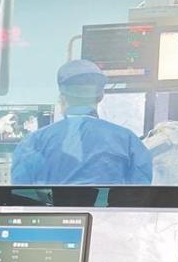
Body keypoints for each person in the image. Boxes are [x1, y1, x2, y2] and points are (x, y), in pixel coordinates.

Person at [11, 59, 153, 186]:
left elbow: (22, 195)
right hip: (108, 208)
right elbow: (140, 194)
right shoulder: (127, 141)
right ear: (101, 96)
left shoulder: (33, 142)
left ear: (62, 97)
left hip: (53, 208)